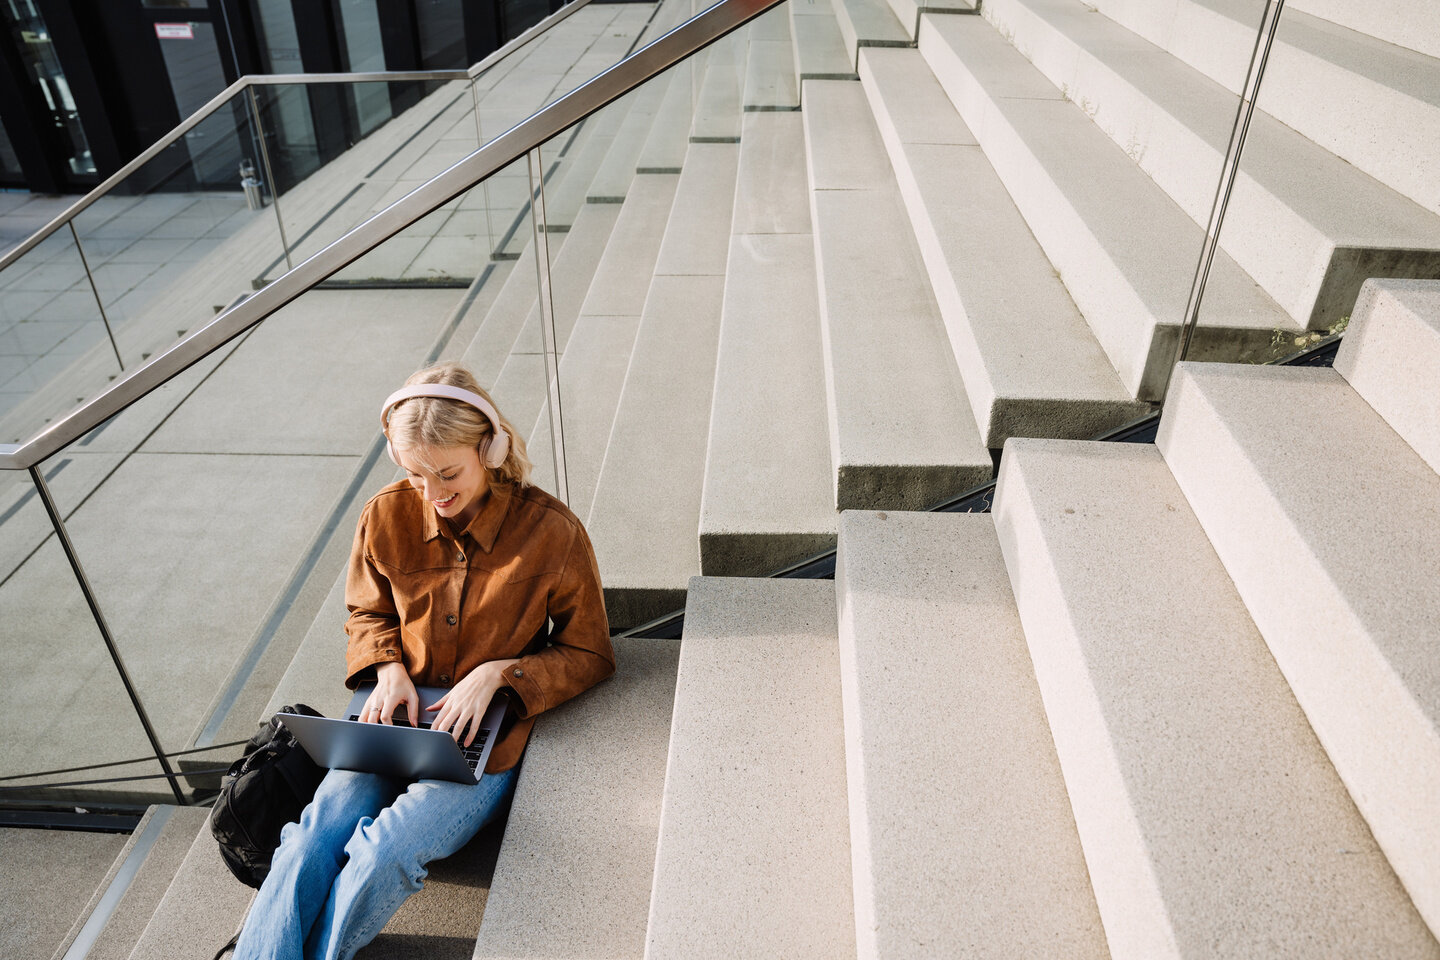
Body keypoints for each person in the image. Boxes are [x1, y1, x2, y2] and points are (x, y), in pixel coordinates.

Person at [233, 361, 614, 960]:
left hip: (486, 740)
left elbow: (590, 651)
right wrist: (387, 669)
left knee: (386, 850)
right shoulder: (384, 515)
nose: (433, 494)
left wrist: (498, 674)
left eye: (448, 473)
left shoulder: (553, 534)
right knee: (312, 839)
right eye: (415, 475)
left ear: (490, 448)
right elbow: (366, 611)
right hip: (389, 715)